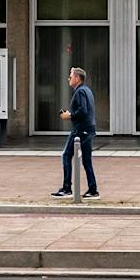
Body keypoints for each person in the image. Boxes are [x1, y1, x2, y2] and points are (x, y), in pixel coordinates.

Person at [52, 66, 100, 199]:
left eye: (71, 76)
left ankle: (67, 188)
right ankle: (93, 189)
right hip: (88, 129)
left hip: (80, 130)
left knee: (66, 155)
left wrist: (70, 115)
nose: (69, 78)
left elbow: (83, 111)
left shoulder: (79, 92)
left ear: (77, 78)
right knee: (86, 160)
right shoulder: (87, 90)